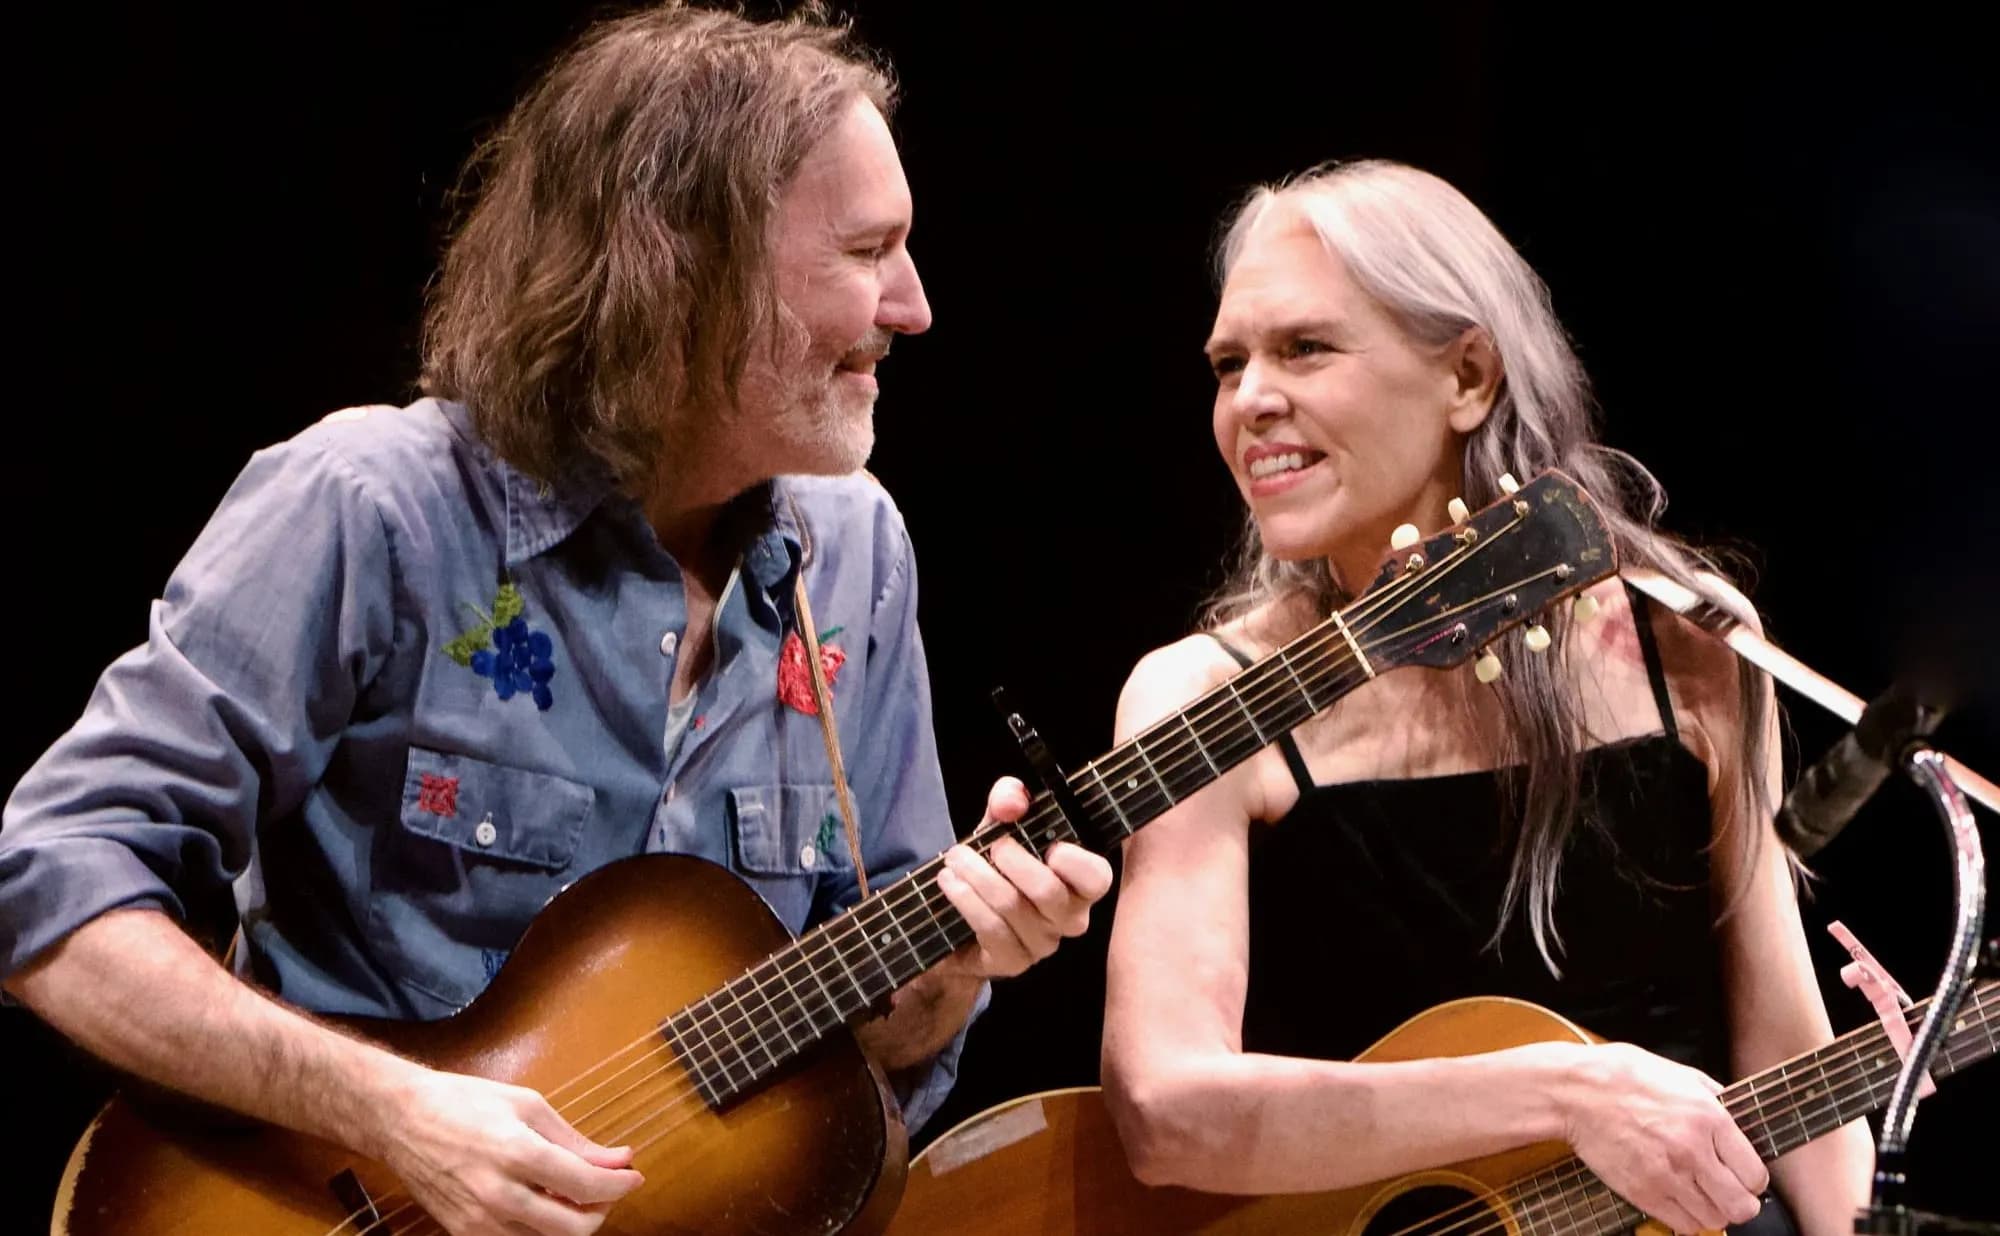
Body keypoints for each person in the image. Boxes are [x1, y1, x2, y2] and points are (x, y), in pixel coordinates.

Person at [0, 7, 1111, 1235]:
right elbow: (52, 890)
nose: (912, 307)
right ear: (686, 266)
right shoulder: (376, 507)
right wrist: (394, 1113)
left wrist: (955, 968)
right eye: (867, 250)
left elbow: (874, 1049)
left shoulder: (856, 552)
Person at [1099, 159, 1871, 1236]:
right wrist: (1567, 1093)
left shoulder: (1683, 643)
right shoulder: (1202, 697)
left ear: (1467, 374)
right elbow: (1164, 1111)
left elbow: (1783, 1053)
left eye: (1303, 348)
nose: (1249, 399)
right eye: (1229, 364)